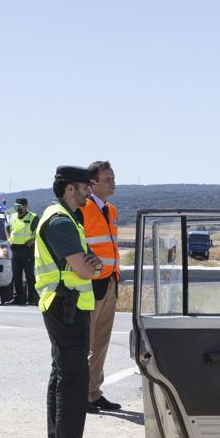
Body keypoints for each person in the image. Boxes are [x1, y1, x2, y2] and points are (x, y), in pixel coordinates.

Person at [36, 165, 105, 438]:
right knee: (73, 378)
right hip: (67, 305)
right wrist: (90, 266)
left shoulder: (67, 219)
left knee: (63, 374)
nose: (89, 193)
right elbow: (86, 268)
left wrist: (91, 265)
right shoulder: (61, 221)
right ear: (69, 189)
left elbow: (95, 264)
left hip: (66, 304)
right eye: (84, 188)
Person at [82, 161, 122, 412]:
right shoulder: (83, 208)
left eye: (113, 177)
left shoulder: (112, 211)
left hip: (110, 281)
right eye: (107, 178)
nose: (113, 182)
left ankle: (93, 393)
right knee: (86, 342)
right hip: (91, 283)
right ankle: (81, 394)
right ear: (93, 183)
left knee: (101, 343)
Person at [6, 197, 38, 305]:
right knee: (16, 275)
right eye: (16, 206)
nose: (18, 208)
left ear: (25, 206)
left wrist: (32, 241)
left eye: (20, 206)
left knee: (30, 276)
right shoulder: (12, 217)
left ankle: (32, 299)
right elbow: (8, 228)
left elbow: (40, 233)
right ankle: (17, 298)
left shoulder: (33, 217)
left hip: (27, 249)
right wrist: (9, 239)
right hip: (15, 249)